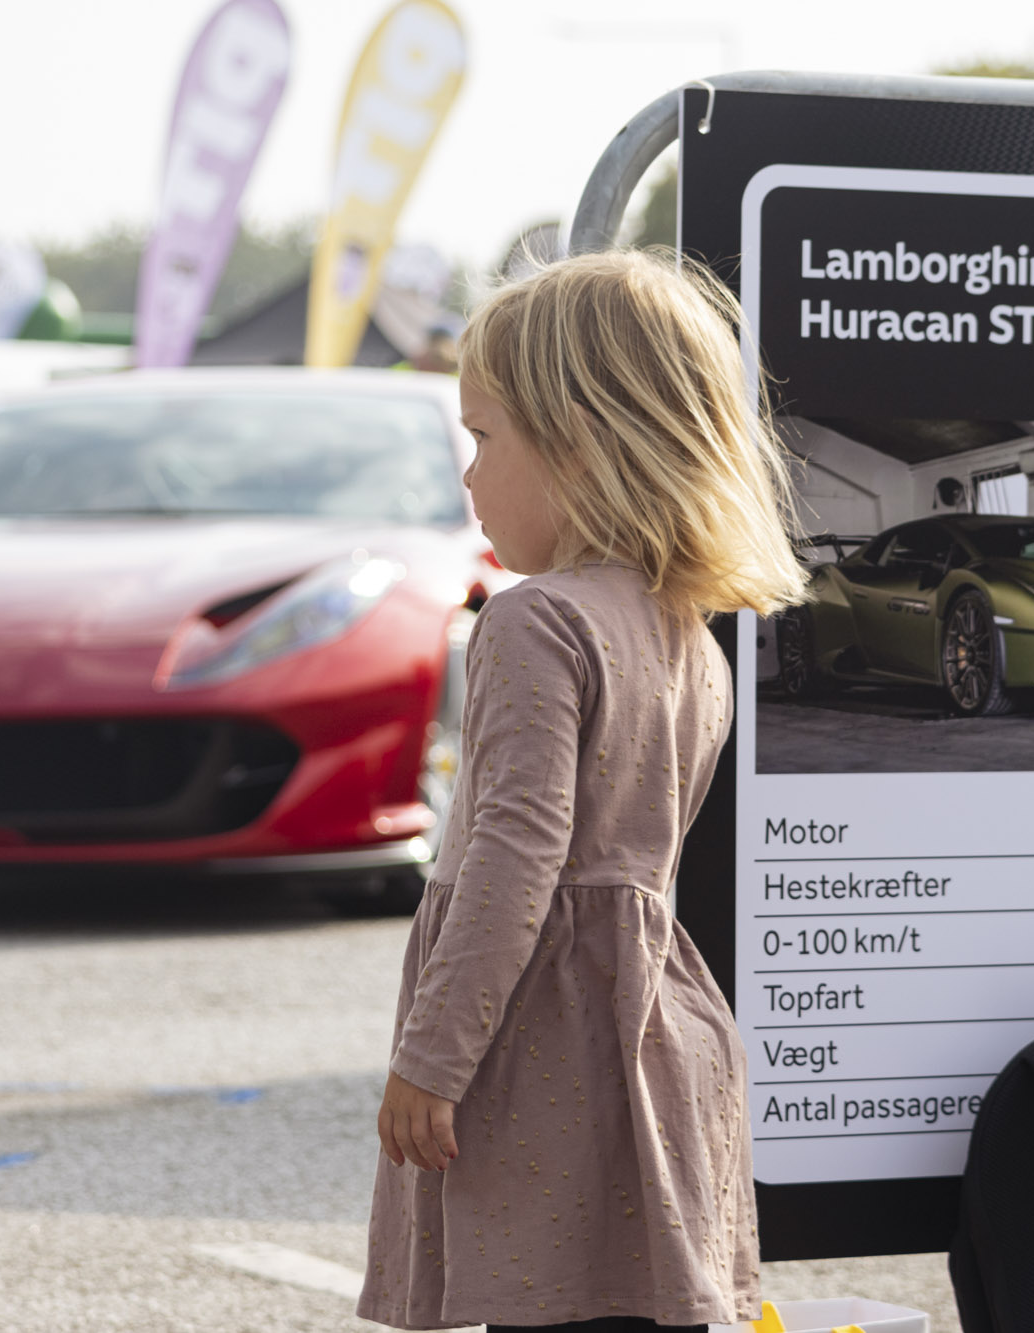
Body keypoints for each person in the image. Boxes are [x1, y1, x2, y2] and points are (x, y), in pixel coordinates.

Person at [359, 250, 808, 1333]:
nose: (467, 475)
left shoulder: (532, 622)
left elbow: (515, 862)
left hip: (544, 1050)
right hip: (655, 1040)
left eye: (483, 437)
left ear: (580, 438)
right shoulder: (687, 639)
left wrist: (430, 1055)